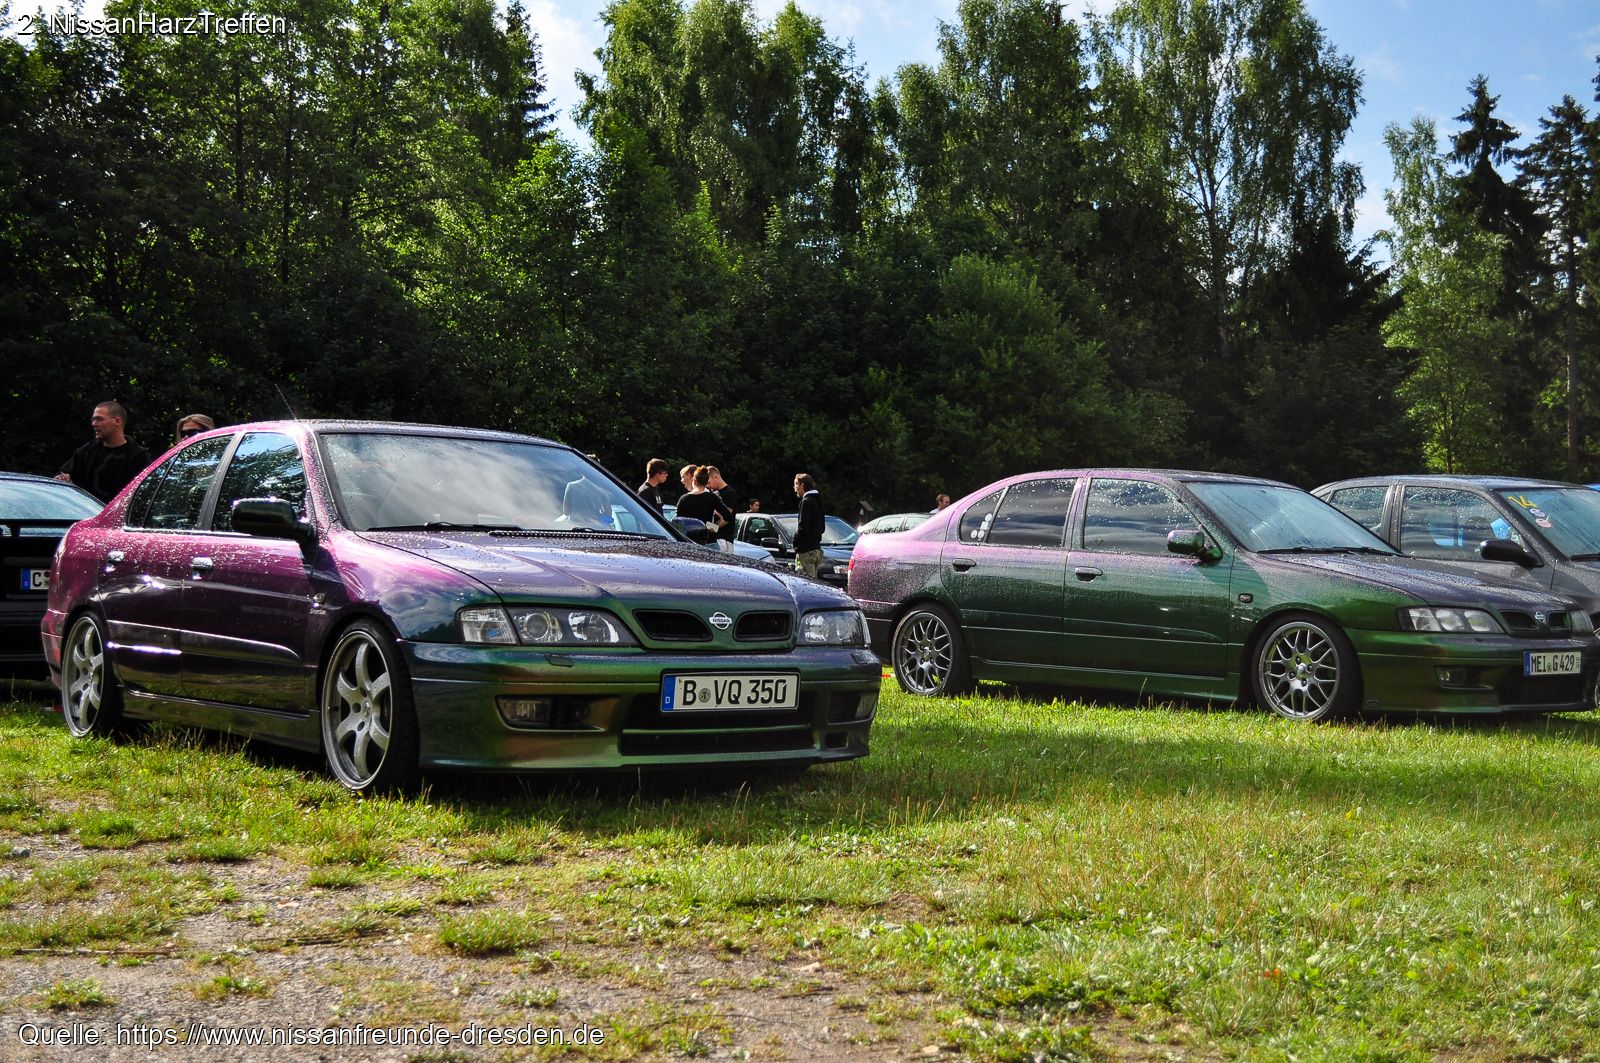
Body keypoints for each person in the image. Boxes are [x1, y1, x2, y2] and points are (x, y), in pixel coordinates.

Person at [55, 400, 153, 504]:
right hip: (84, 511)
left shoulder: (138, 457)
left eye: (99, 419)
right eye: (93, 419)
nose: (94, 424)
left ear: (117, 421)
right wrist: (64, 479)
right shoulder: (87, 451)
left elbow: (142, 495)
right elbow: (61, 476)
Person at [675, 466, 734, 533]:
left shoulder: (683, 499)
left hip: (687, 537)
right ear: (706, 483)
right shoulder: (712, 497)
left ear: (694, 481)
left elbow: (677, 522)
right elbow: (728, 517)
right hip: (705, 536)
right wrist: (711, 527)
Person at [793, 472, 824, 579]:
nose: (795, 489)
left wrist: (795, 541)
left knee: (805, 584)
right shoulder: (818, 500)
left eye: (796, 484)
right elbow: (822, 528)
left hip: (805, 552)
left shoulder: (806, 502)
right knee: (813, 583)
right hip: (816, 551)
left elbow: (803, 528)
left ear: (802, 484)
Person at [706, 467, 739, 543]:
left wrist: (709, 528)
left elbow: (726, 519)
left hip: (723, 540)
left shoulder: (729, 493)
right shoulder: (714, 493)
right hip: (714, 539)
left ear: (716, 477)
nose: (707, 485)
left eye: (708, 482)